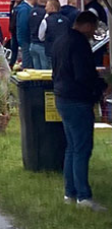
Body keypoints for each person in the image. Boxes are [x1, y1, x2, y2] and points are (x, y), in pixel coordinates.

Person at [52, 11, 109, 211]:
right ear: (86, 25)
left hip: (61, 97)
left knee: (72, 148)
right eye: (92, 28)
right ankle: (83, 196)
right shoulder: (80, 44)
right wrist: (101, 87)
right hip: (77, 100)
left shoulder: (61, 40)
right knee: (82, 149)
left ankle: (70, 192)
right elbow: (83, 74)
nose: (94, 32)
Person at [36, 0, 71, 70]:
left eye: (47, 6)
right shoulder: (66, 20)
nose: (45, 8)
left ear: (52, 7)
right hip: (64, 51)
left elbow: (40, 37)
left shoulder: (45, 21)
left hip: (51, 51)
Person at [15, 0, 38, 69]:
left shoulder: (26, 8)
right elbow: (23, 25)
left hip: (25, 39)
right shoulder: (25, 9)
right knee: (27, 62)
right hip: (26, 39)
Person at [28, 0, 49, 69]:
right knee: (45, 70)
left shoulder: (31, 11)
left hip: (32, 44)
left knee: (36, 71)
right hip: (42, 44)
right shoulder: (45, 13)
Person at [8, 0, 23, 66]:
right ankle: (12, 64)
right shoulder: (12, 4)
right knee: (13, 48)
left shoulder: (23, 5)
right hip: (13, 31)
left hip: (19, 30)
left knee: (23, 49)